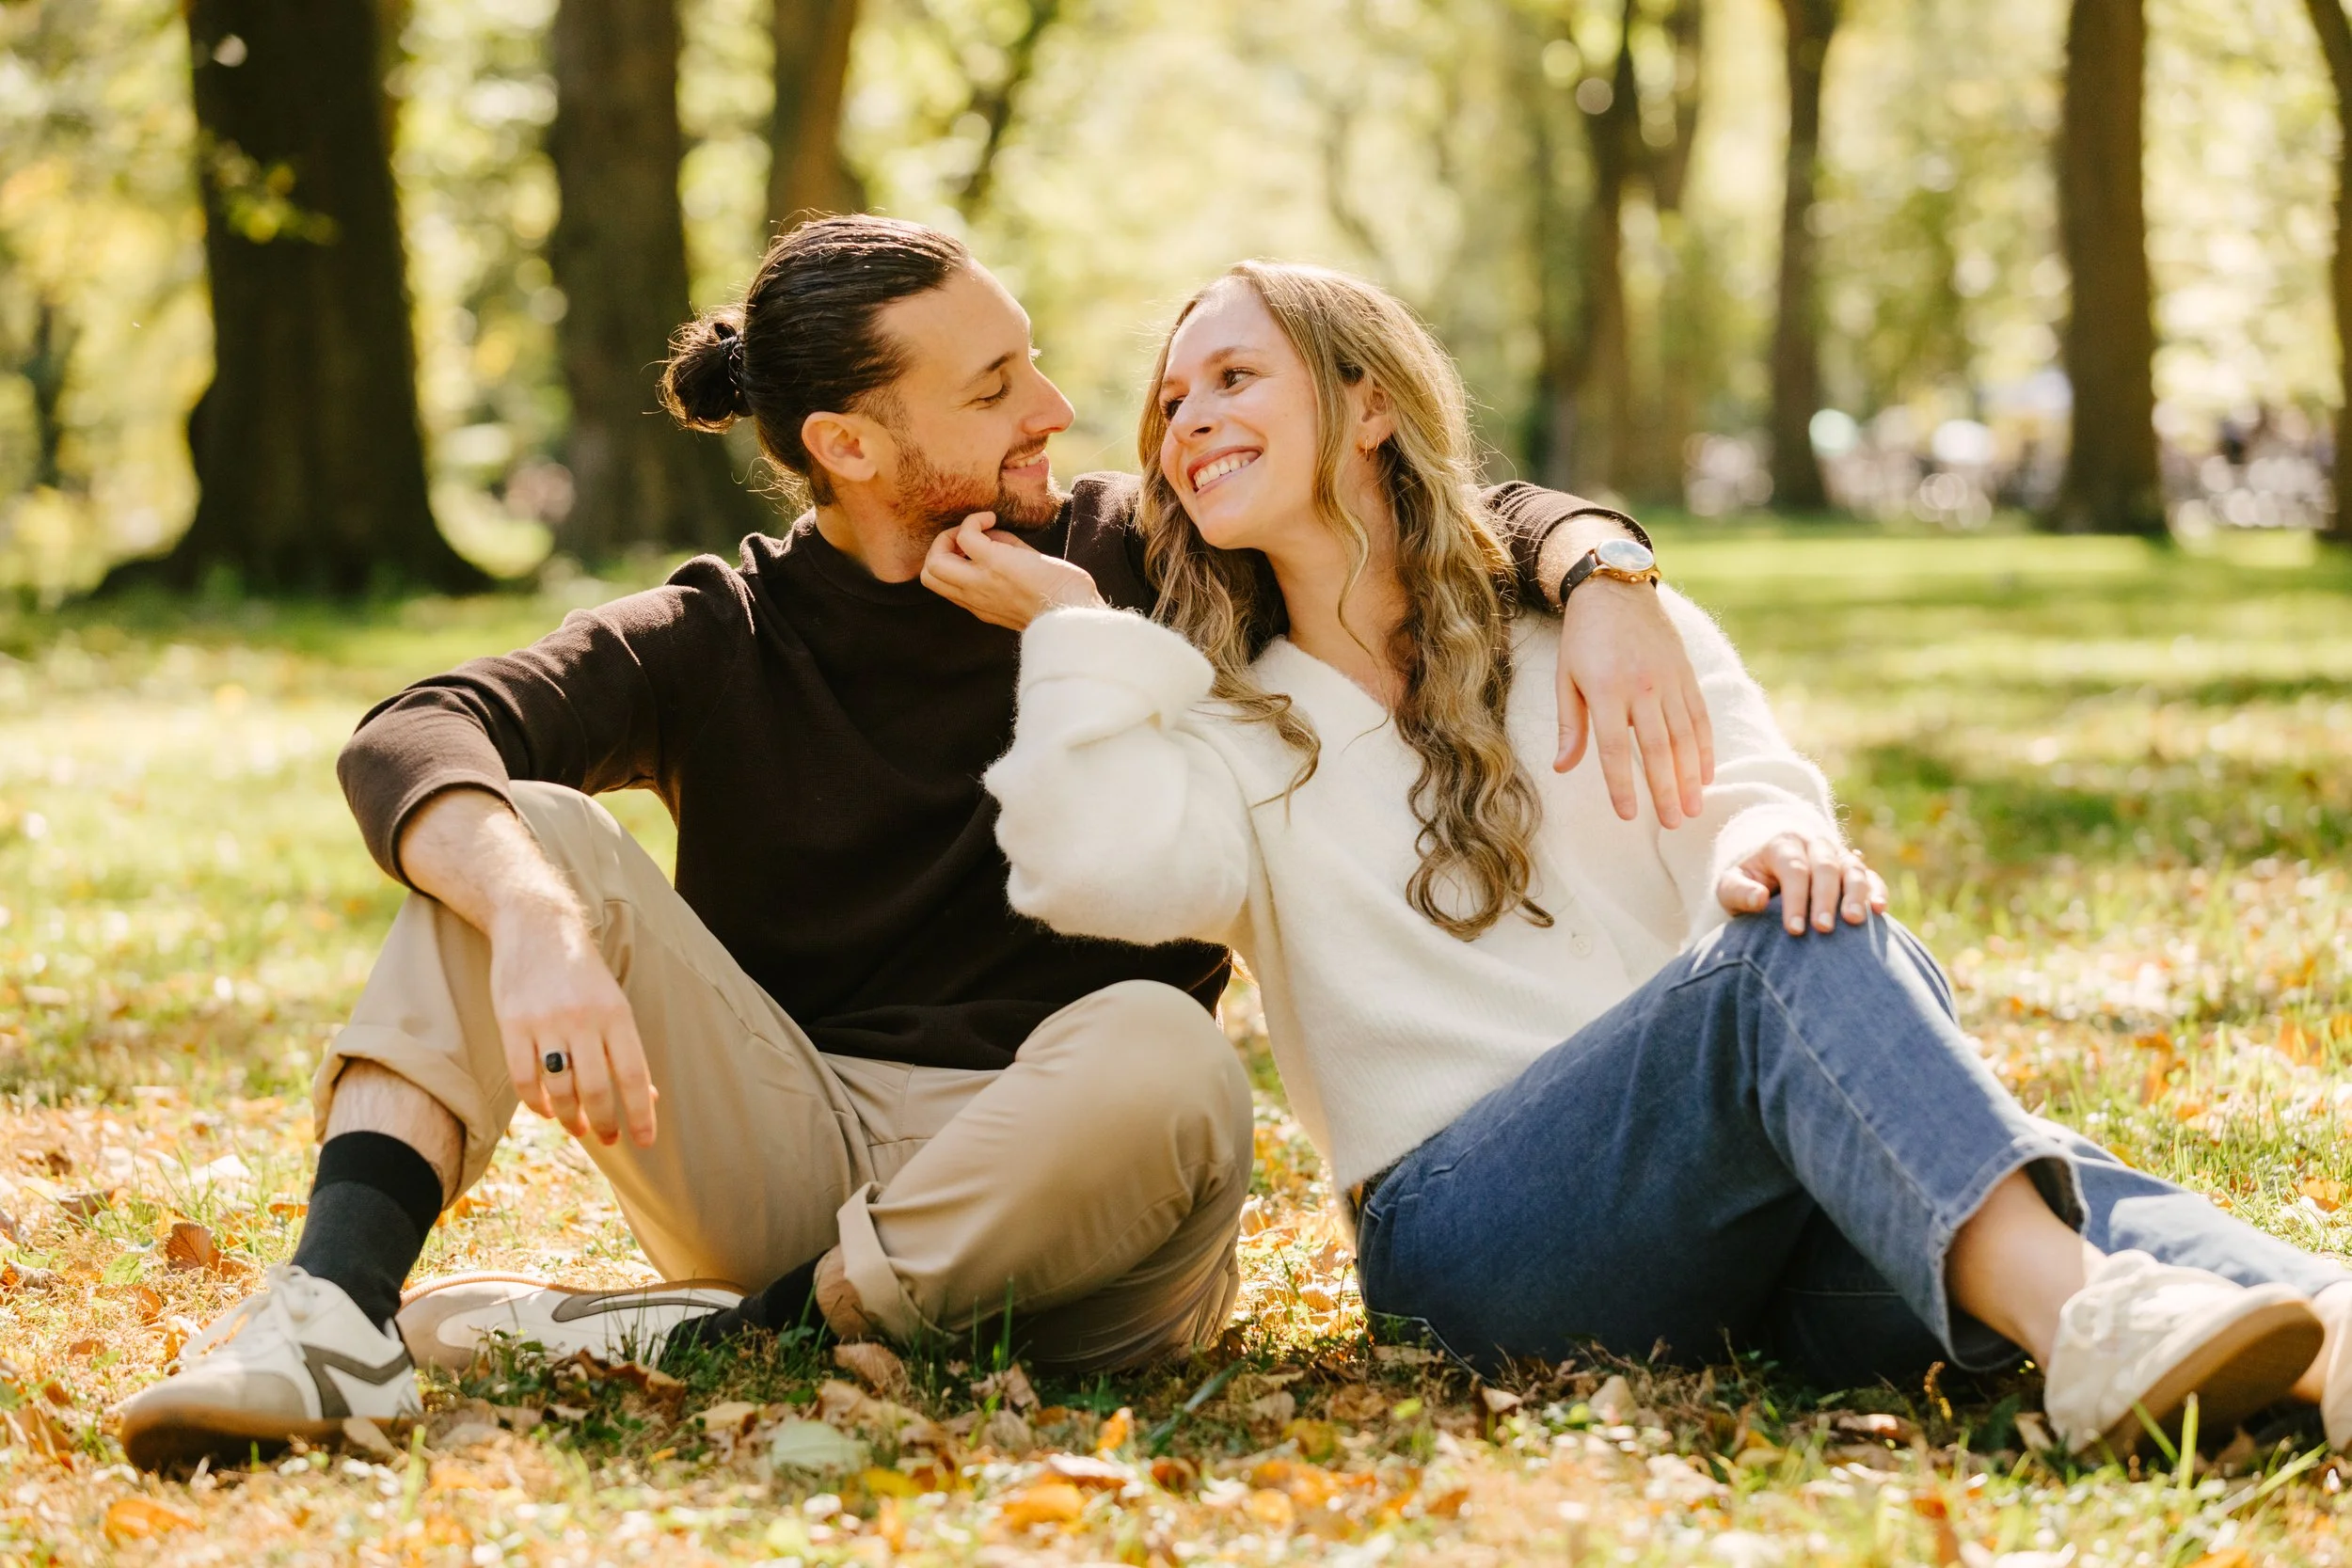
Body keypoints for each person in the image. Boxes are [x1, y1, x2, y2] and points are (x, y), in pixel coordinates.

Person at [115, 218, 1712, 1470]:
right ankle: (334, 1309)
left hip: (1094, 1211)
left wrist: (1606, 576)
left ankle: (736, 1333)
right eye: (995, 386)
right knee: (512, 831)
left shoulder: (1137, 550)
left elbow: (1424, 505)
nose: (1058, 408)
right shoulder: (721, 632)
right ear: (851, 445)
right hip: (794, 1144)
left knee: (1165, 1046)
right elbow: (419, 727)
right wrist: (532, 915)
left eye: (1034, 363)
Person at [946, 259, 2352, 1458]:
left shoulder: (1593, 631)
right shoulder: (1228, 722)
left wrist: (1773, 835)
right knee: (1780, 966)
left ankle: (2302, 1335)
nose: (1189, 418)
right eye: (1173, 401)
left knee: (1975, 1155)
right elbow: (1091, 876)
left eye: (1235, 377)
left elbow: (1743, 800)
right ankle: (2096, 1321)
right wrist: (1069, 632)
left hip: (1722, 1222)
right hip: (1472, 1246)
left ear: (1369, 403)